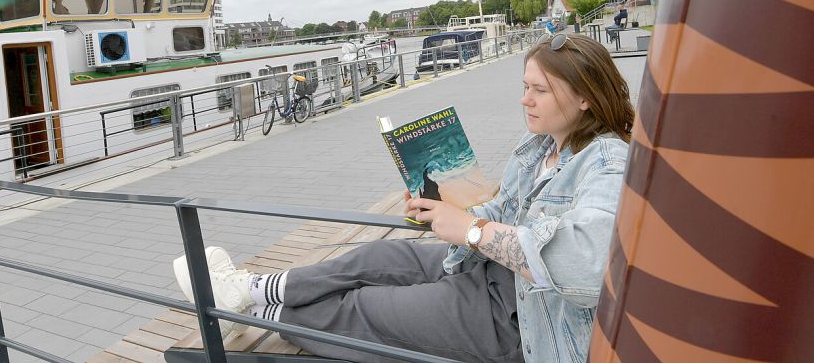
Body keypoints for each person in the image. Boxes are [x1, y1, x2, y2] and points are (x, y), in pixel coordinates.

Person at [173, 33, 634, 363]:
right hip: (489, 272)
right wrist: (450, 211)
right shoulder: (539, 148)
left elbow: (583, 266)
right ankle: (245, 291)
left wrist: (472, 230)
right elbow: (506, 212)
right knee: (373, 257)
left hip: (516, 319)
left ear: (584, 98)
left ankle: (255, 313)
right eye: (524, 87)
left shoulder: (607, 163)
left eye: (539, 90)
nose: (525, 101)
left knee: (362, 308)